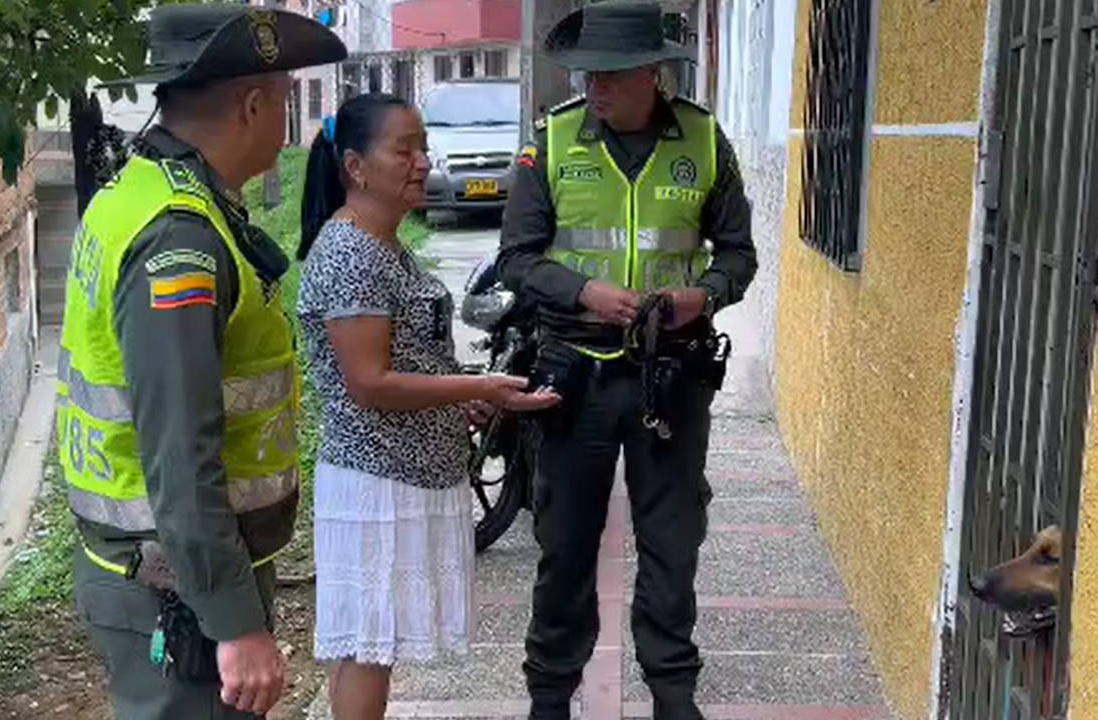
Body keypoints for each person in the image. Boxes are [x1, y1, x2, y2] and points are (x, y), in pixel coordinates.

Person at [54, 5, 346, 718]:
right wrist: (234, 622)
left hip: (156, 570)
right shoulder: (179, 240)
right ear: (252, 106)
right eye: (284, 100)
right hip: (177, 588)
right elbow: (180, 450)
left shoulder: (138, 192)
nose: (287, 121)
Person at [496, 3, 758, 720]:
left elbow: (738, 254)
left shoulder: (704, 141)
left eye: (611, 75)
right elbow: (516, 259)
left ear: (652, 74)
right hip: (574, 374)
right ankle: (550, 697)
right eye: (589, 75)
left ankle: (674, 695)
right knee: (566, 545)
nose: (596, 87)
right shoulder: (553, 142)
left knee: (672, 544)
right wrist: (584, 291)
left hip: (670, 377)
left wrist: (704, 295)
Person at [296, 93, 560, 720]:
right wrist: (475, 389)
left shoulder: (386, 244)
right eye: (404, 149)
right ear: (356, 167)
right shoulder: (352, 252)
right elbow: (369, 382)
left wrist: (459, 399)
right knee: (367, 645)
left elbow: (408, 361)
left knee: (371, 645)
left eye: (423, 146)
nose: (422, 161)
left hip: (406, 473)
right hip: (376, 479)